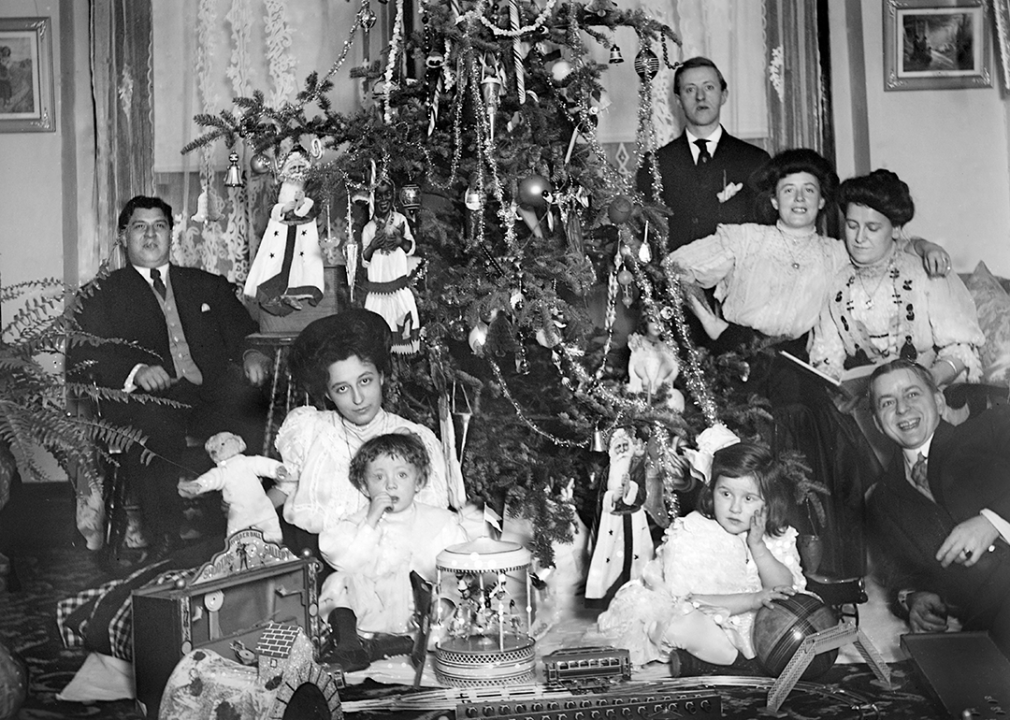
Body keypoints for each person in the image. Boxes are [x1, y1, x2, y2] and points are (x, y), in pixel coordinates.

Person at [70, 195, 272, 562]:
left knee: (252, 404)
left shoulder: (205, 285)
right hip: (150, 402)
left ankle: (252, 529)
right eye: (140, 227)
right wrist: (135, 372)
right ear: (123, 237)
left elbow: (244, 329)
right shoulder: (102, 294)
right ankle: (166, 540)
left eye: (159, 226)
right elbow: (81, 358)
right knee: (152, 427)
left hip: (205, 393)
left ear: (171, 235)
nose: (150, 235)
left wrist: (252, 353)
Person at [596, 441, 806, 674]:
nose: (734, 508)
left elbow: (784, 591)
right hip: (705, 616)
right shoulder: (693, 530)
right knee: (678, 624)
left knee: (794, 626)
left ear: (768, 503)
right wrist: (753, 599)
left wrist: (757, 547)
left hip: (759, 627)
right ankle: (737, 663)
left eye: (749, 499)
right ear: (712, 491)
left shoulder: (775, 535)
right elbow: (688, 598)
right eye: (725, 494)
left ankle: (714, 662)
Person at [269, 308, 456, 560]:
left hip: (389, 563)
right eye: (342, 388)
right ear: (327, 393)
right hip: (309, 559)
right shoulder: (311, 429)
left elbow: (430, 519)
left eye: (365, 381)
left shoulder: (415, 438)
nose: (358, 399)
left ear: (381, 376)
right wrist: (248, 509)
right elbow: (284, 489)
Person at [865, 359, 1010, 653]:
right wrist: (915, 597)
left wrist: (992, 521)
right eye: (887, 403)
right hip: (986, 629)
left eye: (912, 394)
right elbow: (899, 572)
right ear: (878, 422)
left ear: (939, 401)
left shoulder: (993, 430)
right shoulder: (882, 500)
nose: (902, 409)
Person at [809, 169, 983, 388]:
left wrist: (929, 380)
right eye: (852, 226)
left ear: (896, 229)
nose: (859, 238)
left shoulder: (925, 272)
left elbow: (962, 347)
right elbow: (826, 356)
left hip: (932, 391)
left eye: (872, 228)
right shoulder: (836, 283)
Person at [317, 432, 469, 671]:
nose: (391, 484)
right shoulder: (354, 524)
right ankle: (349, 645)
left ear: (418, 482)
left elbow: (458, 569)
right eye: (379, 477)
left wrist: (446, 599)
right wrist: (370, 522)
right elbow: (347, 563)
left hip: (417, 612)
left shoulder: (440, 522)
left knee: (446, 625)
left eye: (401, 475)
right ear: (364, 486)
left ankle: (392, 646)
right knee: (337, 581)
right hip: (369, 610)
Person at [637, 57, 770, 252]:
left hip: (736, 278)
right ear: (678, 100)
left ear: (724, 95)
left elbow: (765, 232)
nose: (700, 97)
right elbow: (647, 236)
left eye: (709, 88)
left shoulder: (755, 160)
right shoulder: (655, 164)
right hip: (676, 277)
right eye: (690, 90)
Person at [362, 179, 421, 354]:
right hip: (378, 292)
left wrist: (400, 241)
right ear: (373, 199)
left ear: (393, 196)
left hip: (398, 289)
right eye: (379, 195)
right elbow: (365, 259)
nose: (383, 199)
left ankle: (403, 361)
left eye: (387, 194)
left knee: (403, 328)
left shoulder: (401, 220)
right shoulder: (369, 228)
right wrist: (373, 246)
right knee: (377, 335)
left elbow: (410, 248)